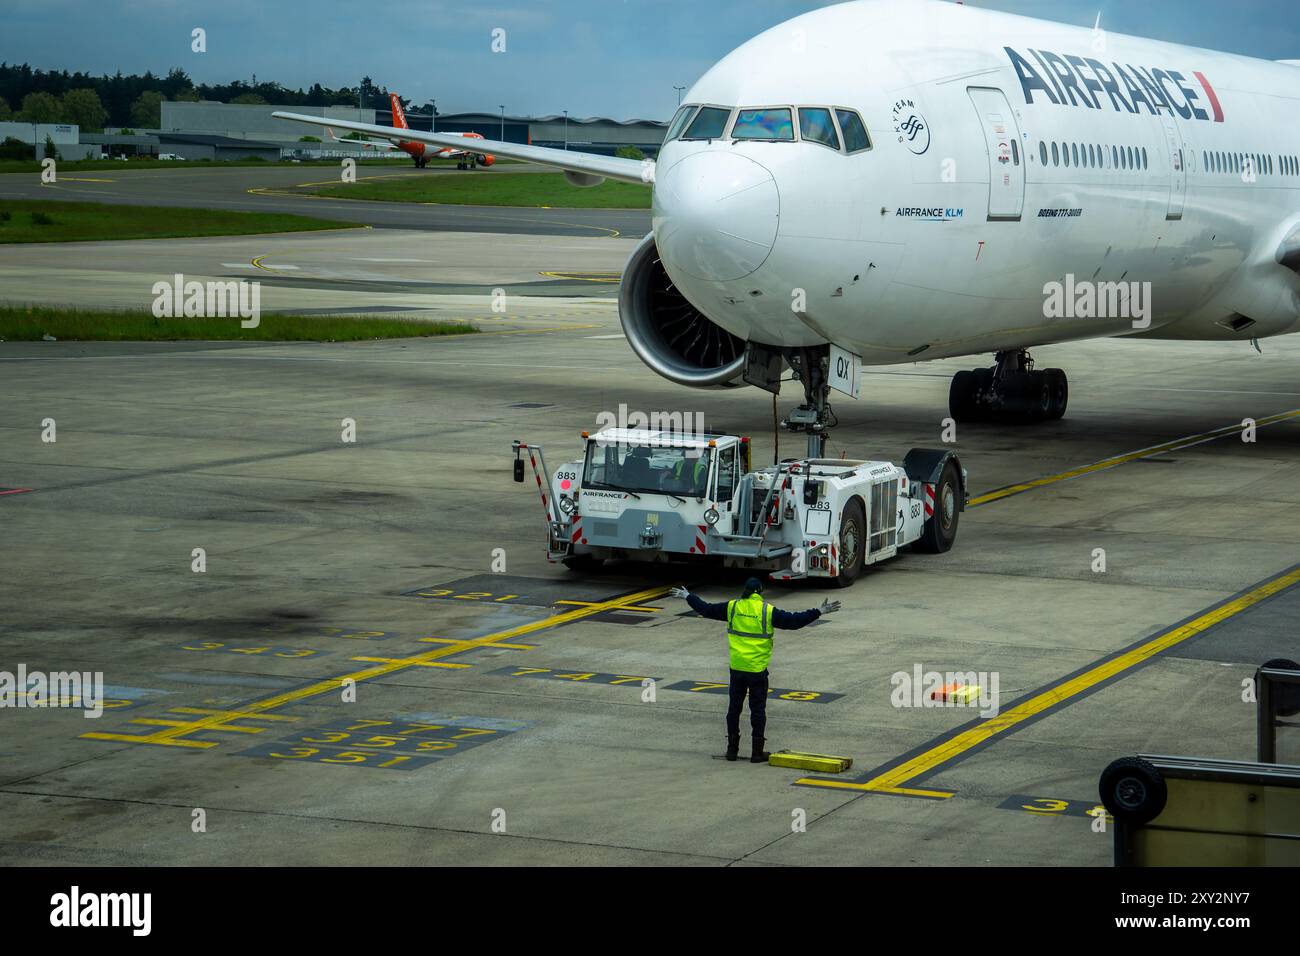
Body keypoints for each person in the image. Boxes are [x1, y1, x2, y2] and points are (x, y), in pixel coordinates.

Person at [669, 578, 840, 762]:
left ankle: (732, 750)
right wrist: (819, 611)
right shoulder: (767, 610)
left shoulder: (733, 607)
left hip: (737, 669)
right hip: (757, 671)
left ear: (746, 590)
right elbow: (794, 621)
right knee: (757, 710)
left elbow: (706, 609)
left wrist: (688, 596)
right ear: (760, 592)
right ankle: (757, 753)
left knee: (734, 710)